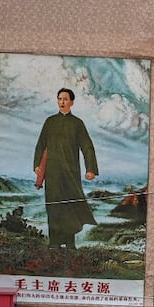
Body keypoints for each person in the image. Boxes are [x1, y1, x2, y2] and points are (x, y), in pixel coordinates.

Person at [33, 87, 98, 249]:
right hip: (53, 173)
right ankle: (54, 243)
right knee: (53, 206)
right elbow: (41, 144)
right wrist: (36, 165)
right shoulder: (50, 121)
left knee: (70, 206)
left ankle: (70, 244)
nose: (62, 102)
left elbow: (87, 147)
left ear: (72, 102)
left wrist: (90, 169)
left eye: (65, 99)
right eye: (59, 99)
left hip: (71, 172)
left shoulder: (77, 124)